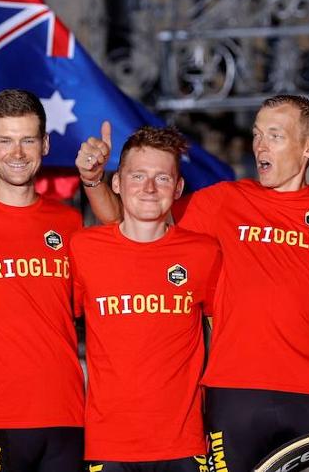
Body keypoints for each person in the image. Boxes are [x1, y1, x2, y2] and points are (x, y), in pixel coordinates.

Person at [77, 96, 309, 472]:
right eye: (257, 135)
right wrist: (94, 181)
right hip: (234, 394)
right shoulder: (225, 201)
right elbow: (136, 221)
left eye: (274, 136)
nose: (260, 145)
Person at [0, 89, 85, 471]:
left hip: (65, 412)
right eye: (6, 140)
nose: (17, 152)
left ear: (44, 144)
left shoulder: (69, 223)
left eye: (27, 140)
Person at [71, 126, 220, 470]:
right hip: (109, 446)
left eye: (162, 178)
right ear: (118, 184)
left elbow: (231, 332)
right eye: (138, 176)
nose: (150, 188)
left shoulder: (204, 253)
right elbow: (47, 319)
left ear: (178, 188)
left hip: (183, 444)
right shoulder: (83, 249)